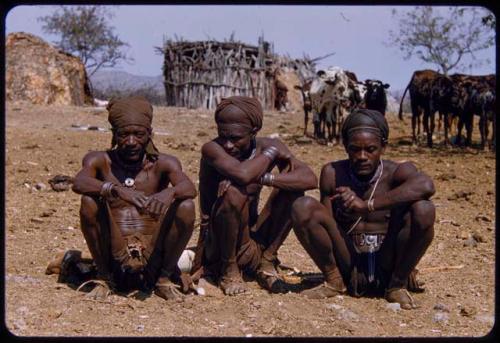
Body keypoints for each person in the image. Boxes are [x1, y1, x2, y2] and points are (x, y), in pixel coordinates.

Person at [291, 109, 435, 309]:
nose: (362, 156)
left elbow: (426, 186)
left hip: (388, 260)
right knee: (302, 206)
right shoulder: (332, 173)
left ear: (383, 147)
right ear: (345, 147)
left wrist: (366, 205)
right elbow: (327, 226)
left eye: (370, 149)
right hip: (349, 261)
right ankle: (334, 281)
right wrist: (345, 210)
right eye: (354, 149)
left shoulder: (397, 172)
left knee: (424, 209)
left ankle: (397, 285)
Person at [68, 96, 197, 301]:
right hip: (113, 252)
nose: (131, 142)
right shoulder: (100, 160)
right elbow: (79, 183)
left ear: (150, 134)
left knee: (187, 206)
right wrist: (117, 190)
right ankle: (104, 278)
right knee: (89, 201)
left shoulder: (164, 163)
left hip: (153, 252)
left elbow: (188, 187)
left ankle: (163, 279)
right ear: (114, 134)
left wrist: (169, 193)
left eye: (139, 134)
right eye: (124, 134)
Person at [191, 96, 317, 296]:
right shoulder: (212, 149)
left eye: (235, 138)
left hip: (252, 238)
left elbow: (309, 178)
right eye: (223, 136)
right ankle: (228, 270)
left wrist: (266, 178)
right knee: (234, 192)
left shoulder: (265, 146)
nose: (228, 145)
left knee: (293, 192)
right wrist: (271, 153)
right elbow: (243, 174)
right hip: (218, 243)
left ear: (254, 131)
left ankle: (266, 261)